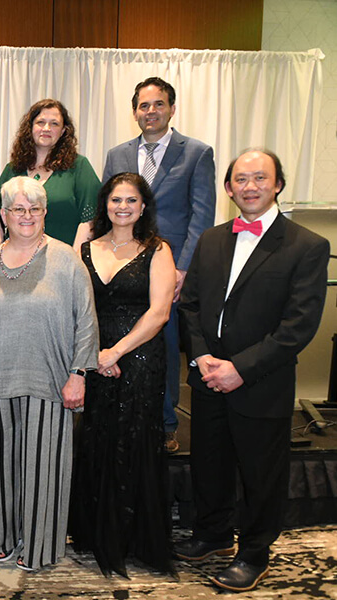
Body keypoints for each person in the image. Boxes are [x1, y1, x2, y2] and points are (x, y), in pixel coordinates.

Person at [176, 149, 329, 592]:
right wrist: (202, 357)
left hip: (261, 382)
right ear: (228, 188)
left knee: (261, 475)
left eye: (260, 177)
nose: (250, 186)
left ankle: (254, 553)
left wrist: (239, 369)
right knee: (210, 464)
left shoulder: (308, 246)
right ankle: (214, 535)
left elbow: (298, 327)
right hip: (207, 378)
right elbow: (192, 306)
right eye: (241, 179)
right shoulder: (211, 239)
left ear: (278, 183)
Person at [0, 176, 98, 570]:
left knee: (44, 470)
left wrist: (78, 373)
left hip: (50, 381)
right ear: (3, 215)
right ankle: (1, 537)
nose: (26, 216)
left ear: (45, 213)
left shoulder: (68, 259)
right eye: (17, 209)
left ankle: (41, 544)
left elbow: (87, 321)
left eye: (34, 209)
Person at [68, 173, 177, 578]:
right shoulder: (85, 248)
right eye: (116, 199)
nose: (123, 207)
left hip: (140, 357)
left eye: (131, 200)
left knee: (133, 441)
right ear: (105, 204)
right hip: (95, 355)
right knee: (98, 439)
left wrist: (117, 351)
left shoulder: (157, 249)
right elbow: (80, 308)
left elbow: (159, 312)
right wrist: (96, 353)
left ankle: (134, 537)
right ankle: (96, 533)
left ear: (144, 206)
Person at [103, 77, 216, 453]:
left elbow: (202, 215)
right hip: (122, 266)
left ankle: (166, 423)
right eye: (143, 105)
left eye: (158, 104)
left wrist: (183, 268)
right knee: (118, 340)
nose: (150, 111)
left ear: (171, 108)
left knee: (165, 346)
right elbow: (108, 210)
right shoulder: (117, 154)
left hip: (169, 267)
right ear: (134, 111)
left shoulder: (196, 153)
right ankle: (119, 416)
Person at [0, 99, 100, 248]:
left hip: (63, 261)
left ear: (63, 131)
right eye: (40, 122)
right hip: (15, 263)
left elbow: (89, 218)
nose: (47, 128)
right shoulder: (13, 169)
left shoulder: (79, 167)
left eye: (54, 123)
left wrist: (75, 260)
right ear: (30, 127)